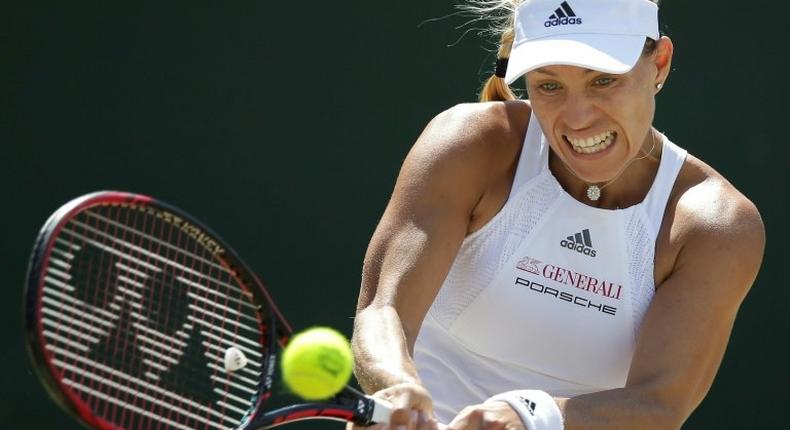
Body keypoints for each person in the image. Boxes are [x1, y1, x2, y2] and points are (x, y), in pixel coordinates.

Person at [350, 0, 765, 428]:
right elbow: (383, 311)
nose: (578, 118)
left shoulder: (716, 226)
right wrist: (394, 384)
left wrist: (531, 417)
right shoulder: (469, 143)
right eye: (549, 86)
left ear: (659, 64)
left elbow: (658, 405)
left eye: (603, 80)